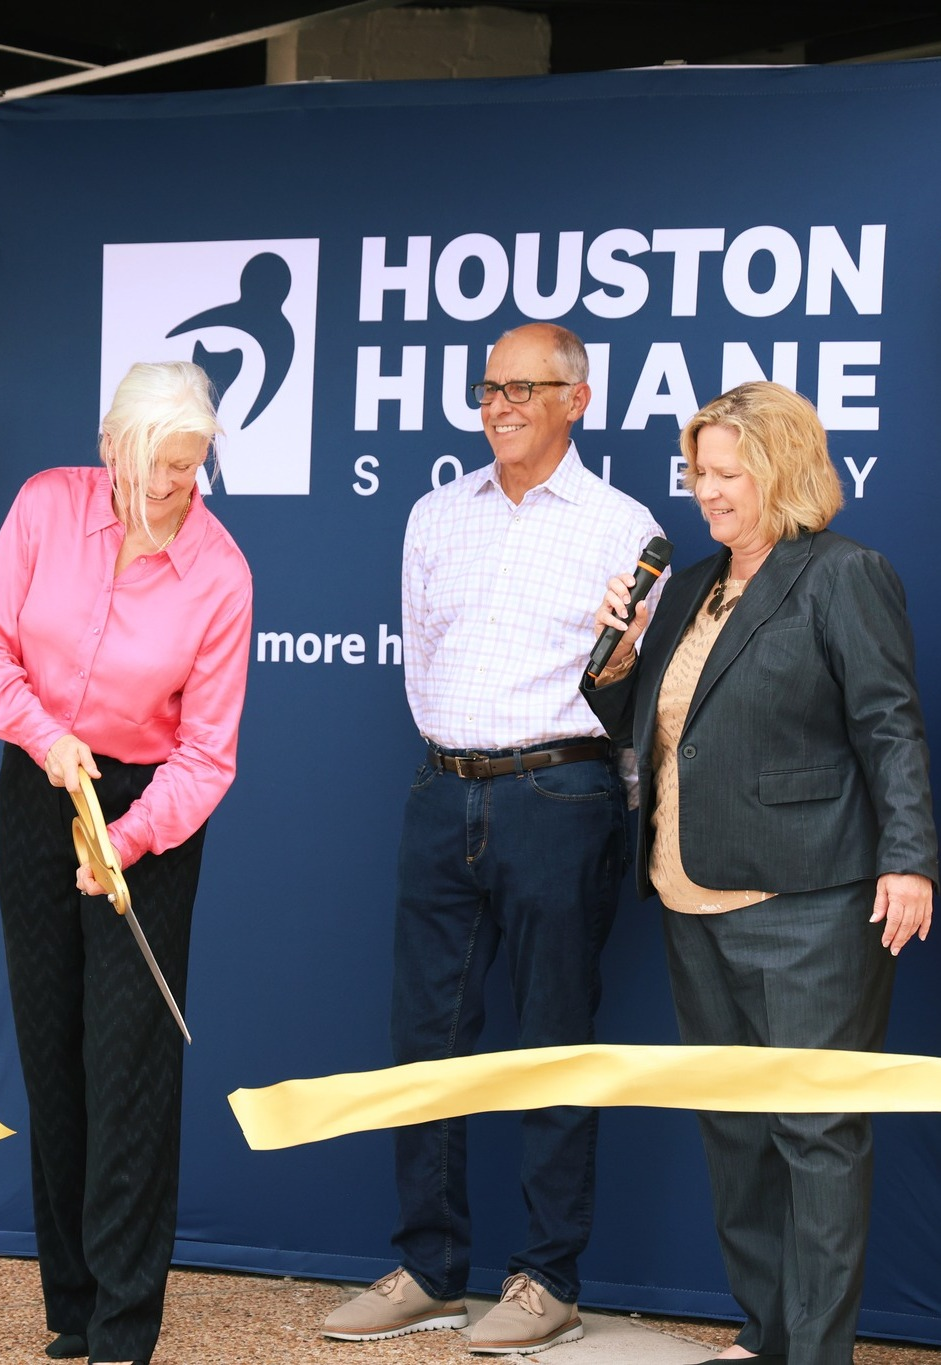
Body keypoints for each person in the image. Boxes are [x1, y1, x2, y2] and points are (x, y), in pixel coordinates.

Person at [322, 323, 664, 1356]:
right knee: (425, 1040)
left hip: (561, 796)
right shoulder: (436, 515)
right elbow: (422, 658)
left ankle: (546, 1278)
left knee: (553, 1039)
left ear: (578, 399)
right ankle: (429, 1268)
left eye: (527, 387)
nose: (502, 404)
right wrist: (457, 760)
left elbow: (632, 687)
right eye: (489, 388)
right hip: (443, 790)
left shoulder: (623, 525)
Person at [582, 381, 936, 1365]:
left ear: (782, 472)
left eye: (729, 473)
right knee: (735, 1135)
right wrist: (614, 667)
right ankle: (767, 1331)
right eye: (700, 472)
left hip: (810, 906)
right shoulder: (692, 584)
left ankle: (815, 1353)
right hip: (691, 900)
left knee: (816, 1135)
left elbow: (889, 725)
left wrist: (910, 859)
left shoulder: (844, 574)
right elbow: (661, 738)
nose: (709, 491)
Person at [0, 360, 252, 1365]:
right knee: (51, 1050)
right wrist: (45, 742)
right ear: (110, 447)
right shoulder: (48, 507)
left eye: (189, 465)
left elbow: (208, 753)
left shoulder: (220, 572)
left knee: (126, 1065)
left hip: (146, 817)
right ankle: (72, 1308)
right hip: (41, 786)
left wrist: (122, 838)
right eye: (154, 464)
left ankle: (126, 1325)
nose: (171, 486)